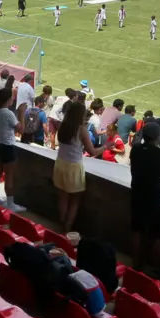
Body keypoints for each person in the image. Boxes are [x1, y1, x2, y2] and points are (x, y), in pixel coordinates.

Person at [129, 122, 160, 274]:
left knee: (136, 230)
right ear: (157, 136)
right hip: (154, 198)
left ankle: (135, 263)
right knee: (157, 235)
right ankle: (154, 269)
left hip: (137, 194)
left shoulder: (135, 150)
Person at [54, 99, 102, 233]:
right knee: (75, 200)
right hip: (73, 167)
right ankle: (66, 230)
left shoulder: (63, 125)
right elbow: (92, 151)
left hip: (60, 164)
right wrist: (106, 147)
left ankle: (61, 226)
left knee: (63, 197)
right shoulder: (81, 130)